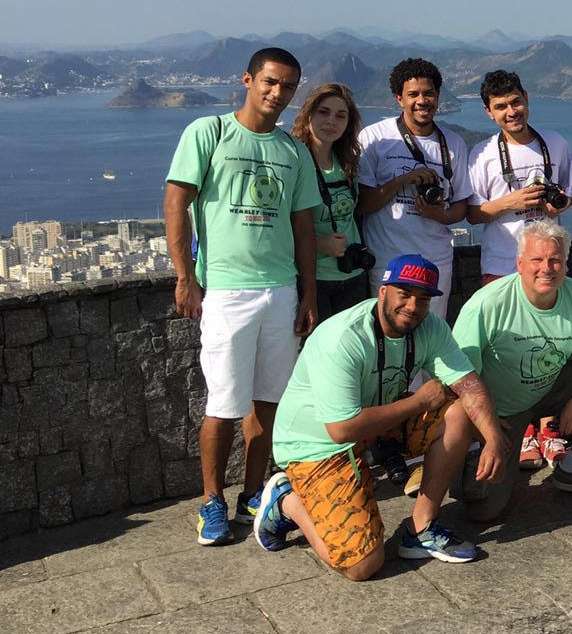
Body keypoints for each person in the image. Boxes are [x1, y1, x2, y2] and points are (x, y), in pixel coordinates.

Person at [255, 255, 511, 577]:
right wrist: (418, 403)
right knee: (363, 566)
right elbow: (341, 429)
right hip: (317, 445)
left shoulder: (430, 327)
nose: (413, 306)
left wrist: (493, 439)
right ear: (383, 291)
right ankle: (286, 500)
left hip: (377, 422)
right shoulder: (343, 339)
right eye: (404, 293)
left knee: (461, 413)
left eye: (423, 298)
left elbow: (469, 384)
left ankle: (421, 529)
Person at [164, 46, 319, 545]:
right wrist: (185, 276)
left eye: (288, 86)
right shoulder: (208, 133)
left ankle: (254, 492)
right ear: (248, 79)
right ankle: (211, 501)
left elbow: (303, 228)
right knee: (224, 403)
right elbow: (176, 202)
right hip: (228, 291)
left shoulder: (293, 151)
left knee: (271, 402)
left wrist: (308, 294)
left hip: (280, 290)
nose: (278, 93)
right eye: (270, 82)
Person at [449, 220, 572, 520]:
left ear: (566, 264)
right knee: (483, 510)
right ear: (519, 264)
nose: (547, 268)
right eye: (537, 260)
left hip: (549, 388)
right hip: (499, 409)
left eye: (555, 260)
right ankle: (487, 456)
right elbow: (460, 376)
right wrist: (488, 424)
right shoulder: (487, 304)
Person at [463, 69, 572, 471]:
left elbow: (569, 199)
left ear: (527, 97)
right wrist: (509, 202)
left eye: (516, 102)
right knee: (505, 350)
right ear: (488, 112)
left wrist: (556, 205)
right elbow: (472, 213)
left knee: (552, 343)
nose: (512, 112)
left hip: (549, 262)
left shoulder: (557, 145)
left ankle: (547, 426)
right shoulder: (481, 155)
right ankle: (521, 429)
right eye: (501, 107)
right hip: (501, 263)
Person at [356, 58, 469, 316]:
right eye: (413, 94)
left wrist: (440, 214)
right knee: (385, 330)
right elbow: (362, 204)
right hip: (387, 256)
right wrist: (402, 181)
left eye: (428, 93)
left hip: (436, 258)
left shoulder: (454, 143)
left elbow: (461, 205)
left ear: (438, 96)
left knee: (431, 332)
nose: (422, 101)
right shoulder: (375, 137)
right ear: (399, 98)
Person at [290, 83, 371, 321]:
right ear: (308, 116)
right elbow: (278, 227)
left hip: (352, 275)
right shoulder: (295, 162)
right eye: (323, 112)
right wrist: (318, 244)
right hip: (313, 279)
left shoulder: (347, 163)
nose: (331, 121)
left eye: (340, 116)